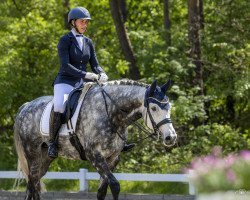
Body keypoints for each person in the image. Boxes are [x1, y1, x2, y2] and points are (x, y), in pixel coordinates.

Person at [48, 7, 134, 158]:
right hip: (65, 81)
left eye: (86, 22)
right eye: (82, 22)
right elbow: (65, 66)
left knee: (103, 102)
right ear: (73, 22)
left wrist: (101, 72)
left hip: (83, 83)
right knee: (60, 106)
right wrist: (86, 74)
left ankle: (118, 141)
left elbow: (95, 64)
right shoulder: (65, 40)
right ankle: (52, 143)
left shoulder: (88, 42)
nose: (85, 25)